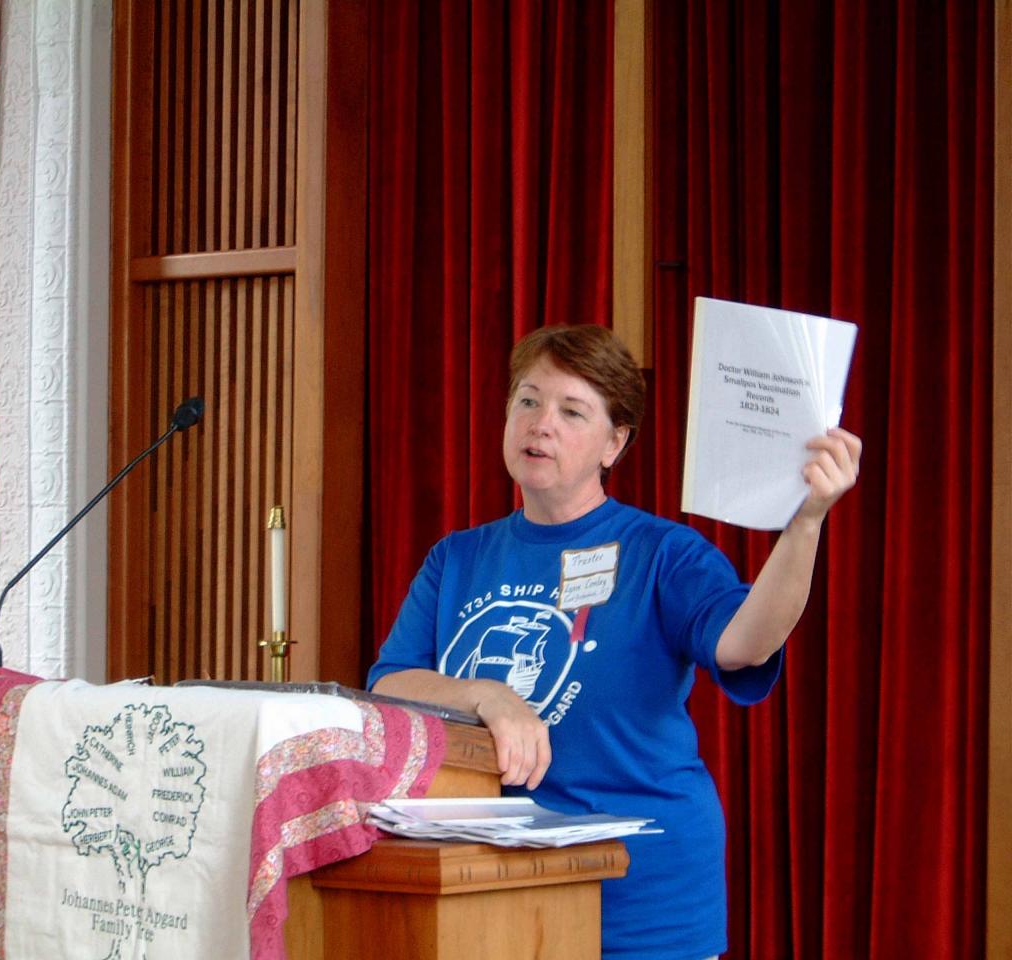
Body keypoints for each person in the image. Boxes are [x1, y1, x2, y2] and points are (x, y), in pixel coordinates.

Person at [368, 323, 861, 960]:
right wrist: (484, 694)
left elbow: (746, 644)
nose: (541, 424)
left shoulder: (664, 553)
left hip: (642, 899)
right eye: (528, 400)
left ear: (615, 443)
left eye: (572, 411)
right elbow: (390, 684)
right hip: (492, 888)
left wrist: (806, 523)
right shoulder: (456, 557)